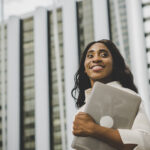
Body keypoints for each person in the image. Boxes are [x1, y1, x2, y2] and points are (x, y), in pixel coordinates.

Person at [71, 39, 150, 150]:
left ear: (114, 64)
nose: (96, 59)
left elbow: (145, 142)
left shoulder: (129, 97)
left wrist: (94, 129)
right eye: (90, 56)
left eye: (103, 55)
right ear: (84, 68)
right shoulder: (81, 111)